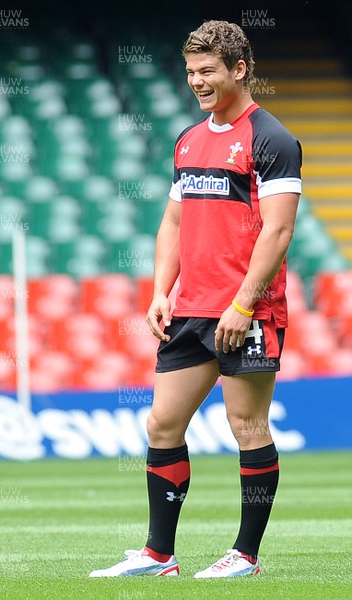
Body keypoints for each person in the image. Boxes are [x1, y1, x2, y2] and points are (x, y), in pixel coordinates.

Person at [89, 19, 301, 579]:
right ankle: (160, 554)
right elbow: (173, 221)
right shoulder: (188, 139)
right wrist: (161, 291)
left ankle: (245, 556)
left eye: (208, 71)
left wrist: (243, 304)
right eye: (190, 72)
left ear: (240, 68)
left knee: (246, 425)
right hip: (192, 309)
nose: (197, 82)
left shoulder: (271, 139)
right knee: (162, 423)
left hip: (246, 310)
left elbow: (278, 232)